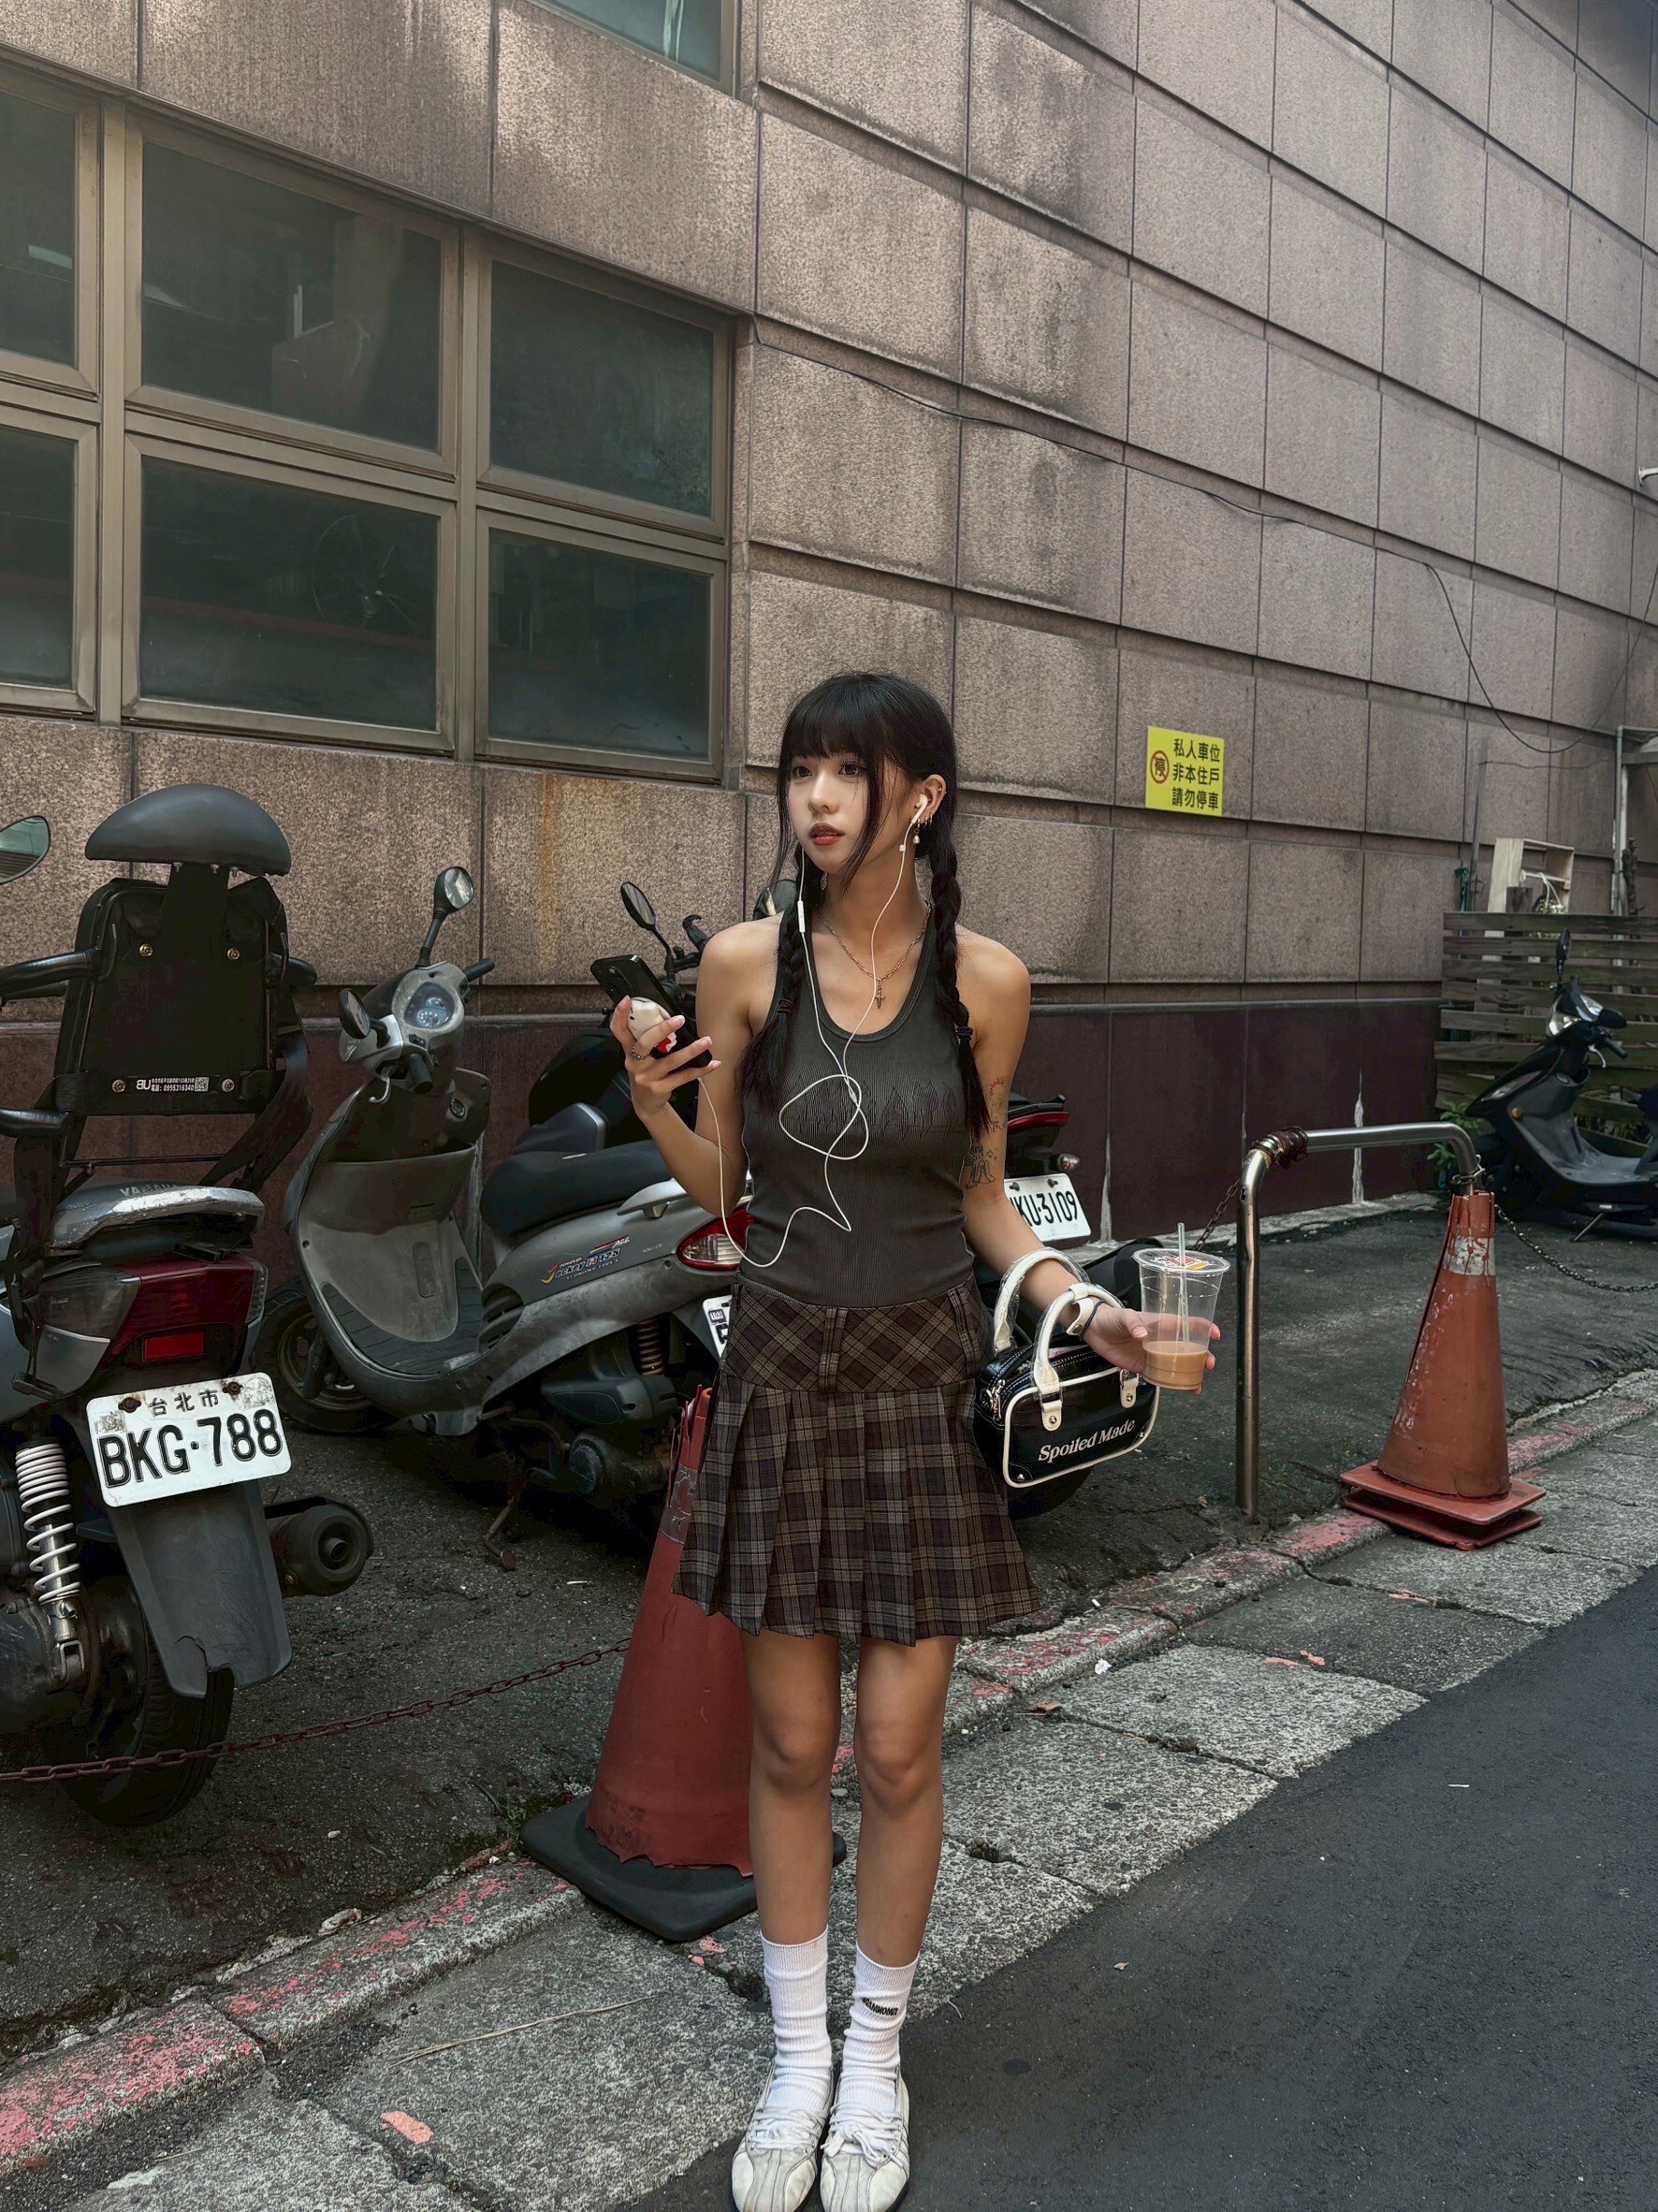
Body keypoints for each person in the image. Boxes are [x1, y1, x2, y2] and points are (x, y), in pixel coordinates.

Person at [610, 673, 1215, 2212]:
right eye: (800, 770)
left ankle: (873, 2059)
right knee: (789, 1745)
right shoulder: (747, 965)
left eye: (848, 771)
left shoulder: (987, 986)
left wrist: (1093, 1314)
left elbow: (984, 1198)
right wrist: (650, 1098)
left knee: (893, 1747)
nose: (816, 798)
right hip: (785, 1377)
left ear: (920, 799)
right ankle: (796, 2058)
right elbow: (730, 1190)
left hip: (918, 1380)